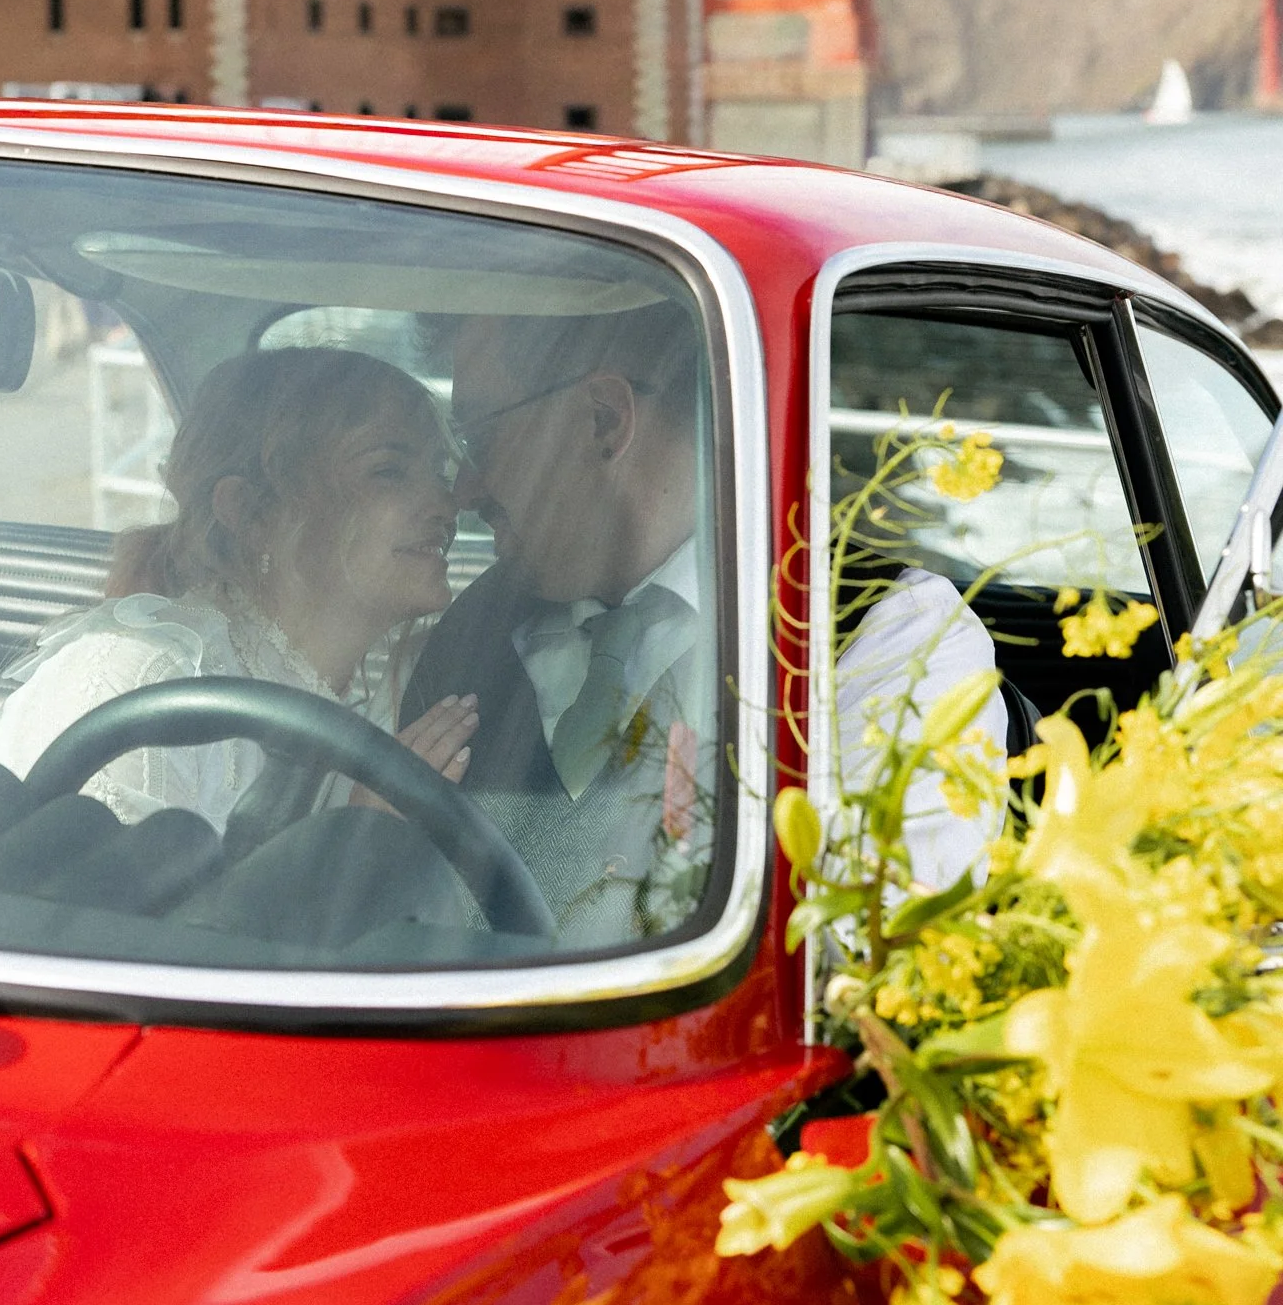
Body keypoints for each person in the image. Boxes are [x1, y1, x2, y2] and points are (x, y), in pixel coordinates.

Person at [400, 304, 1005, 943]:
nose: (463, 490)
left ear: (603, 422)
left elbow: (873, 959)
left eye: (480, 439)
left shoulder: (883, 634)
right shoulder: (473, 626)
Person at [0, 346, 478, 832]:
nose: (446, 503)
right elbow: (71, 909)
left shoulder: (396, 695)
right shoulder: (135, 676)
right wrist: (349, 842)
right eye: (389, 471)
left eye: (439, 471)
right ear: (253, 513)